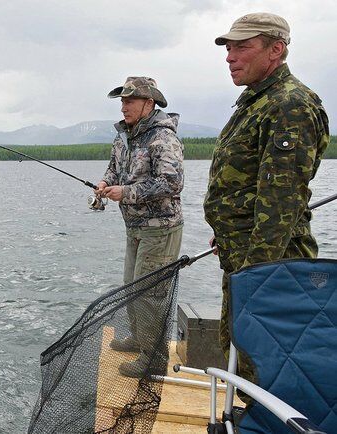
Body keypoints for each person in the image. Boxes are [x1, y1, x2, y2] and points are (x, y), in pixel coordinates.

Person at [203, 13, 329, 383]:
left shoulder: (289, 105)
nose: (230, 56)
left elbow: (281, 202)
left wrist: (257, 276)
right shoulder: (257, 101)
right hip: (244, 254)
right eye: (228, 48)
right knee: (242, 355)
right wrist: (227, 229)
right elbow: (251, 184)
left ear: (276, 49)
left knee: (266, 362)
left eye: (242, 47)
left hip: (269, 266)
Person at [96, 76, 184, 377]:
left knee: (150, 293)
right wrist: (106, 182)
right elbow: (113, 168)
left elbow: (172, 183)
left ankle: (154, 358)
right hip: (134, 227)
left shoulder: (163, 137)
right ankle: (139, 338)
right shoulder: (124, 137)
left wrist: (127, 193)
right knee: (132, 287)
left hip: (160, 229)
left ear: (149, 103)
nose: (123, 106)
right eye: (122, 101)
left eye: (129, 100)